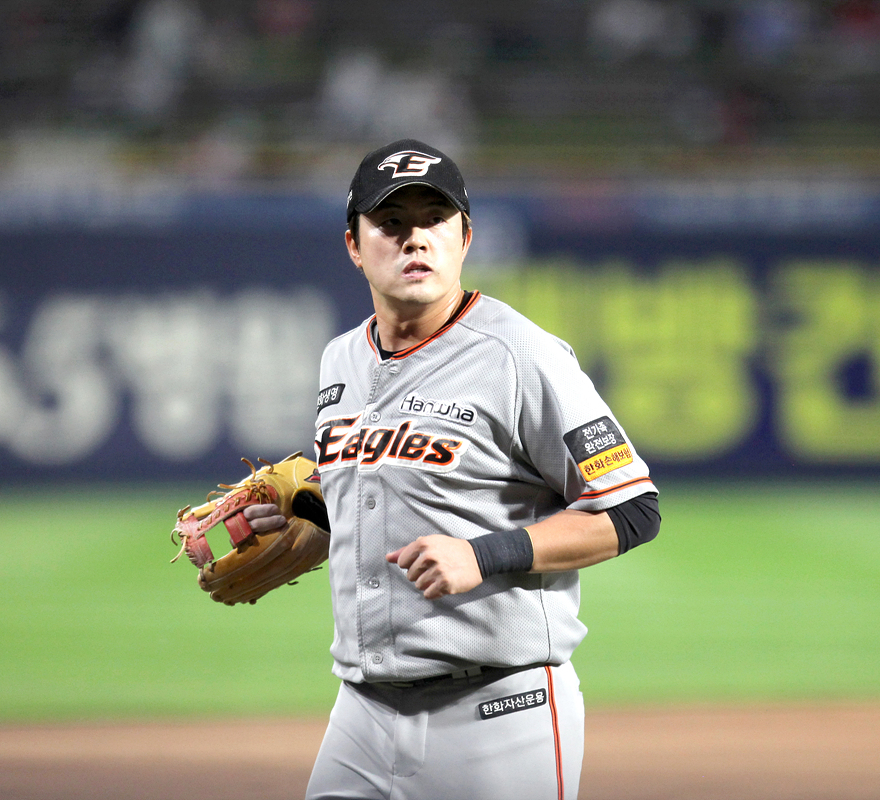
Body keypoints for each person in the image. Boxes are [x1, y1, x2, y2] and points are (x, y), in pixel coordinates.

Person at [244, 139, 661, 800]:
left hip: (500, 710)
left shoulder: (520, 354)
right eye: (391, 223)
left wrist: (484, 554)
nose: (415, 239)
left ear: (465, 238)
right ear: (354, 246)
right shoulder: (340, 360)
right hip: (361, 712)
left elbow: (632, 509)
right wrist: (302, 522)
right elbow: (374, 502)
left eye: (434, 220)